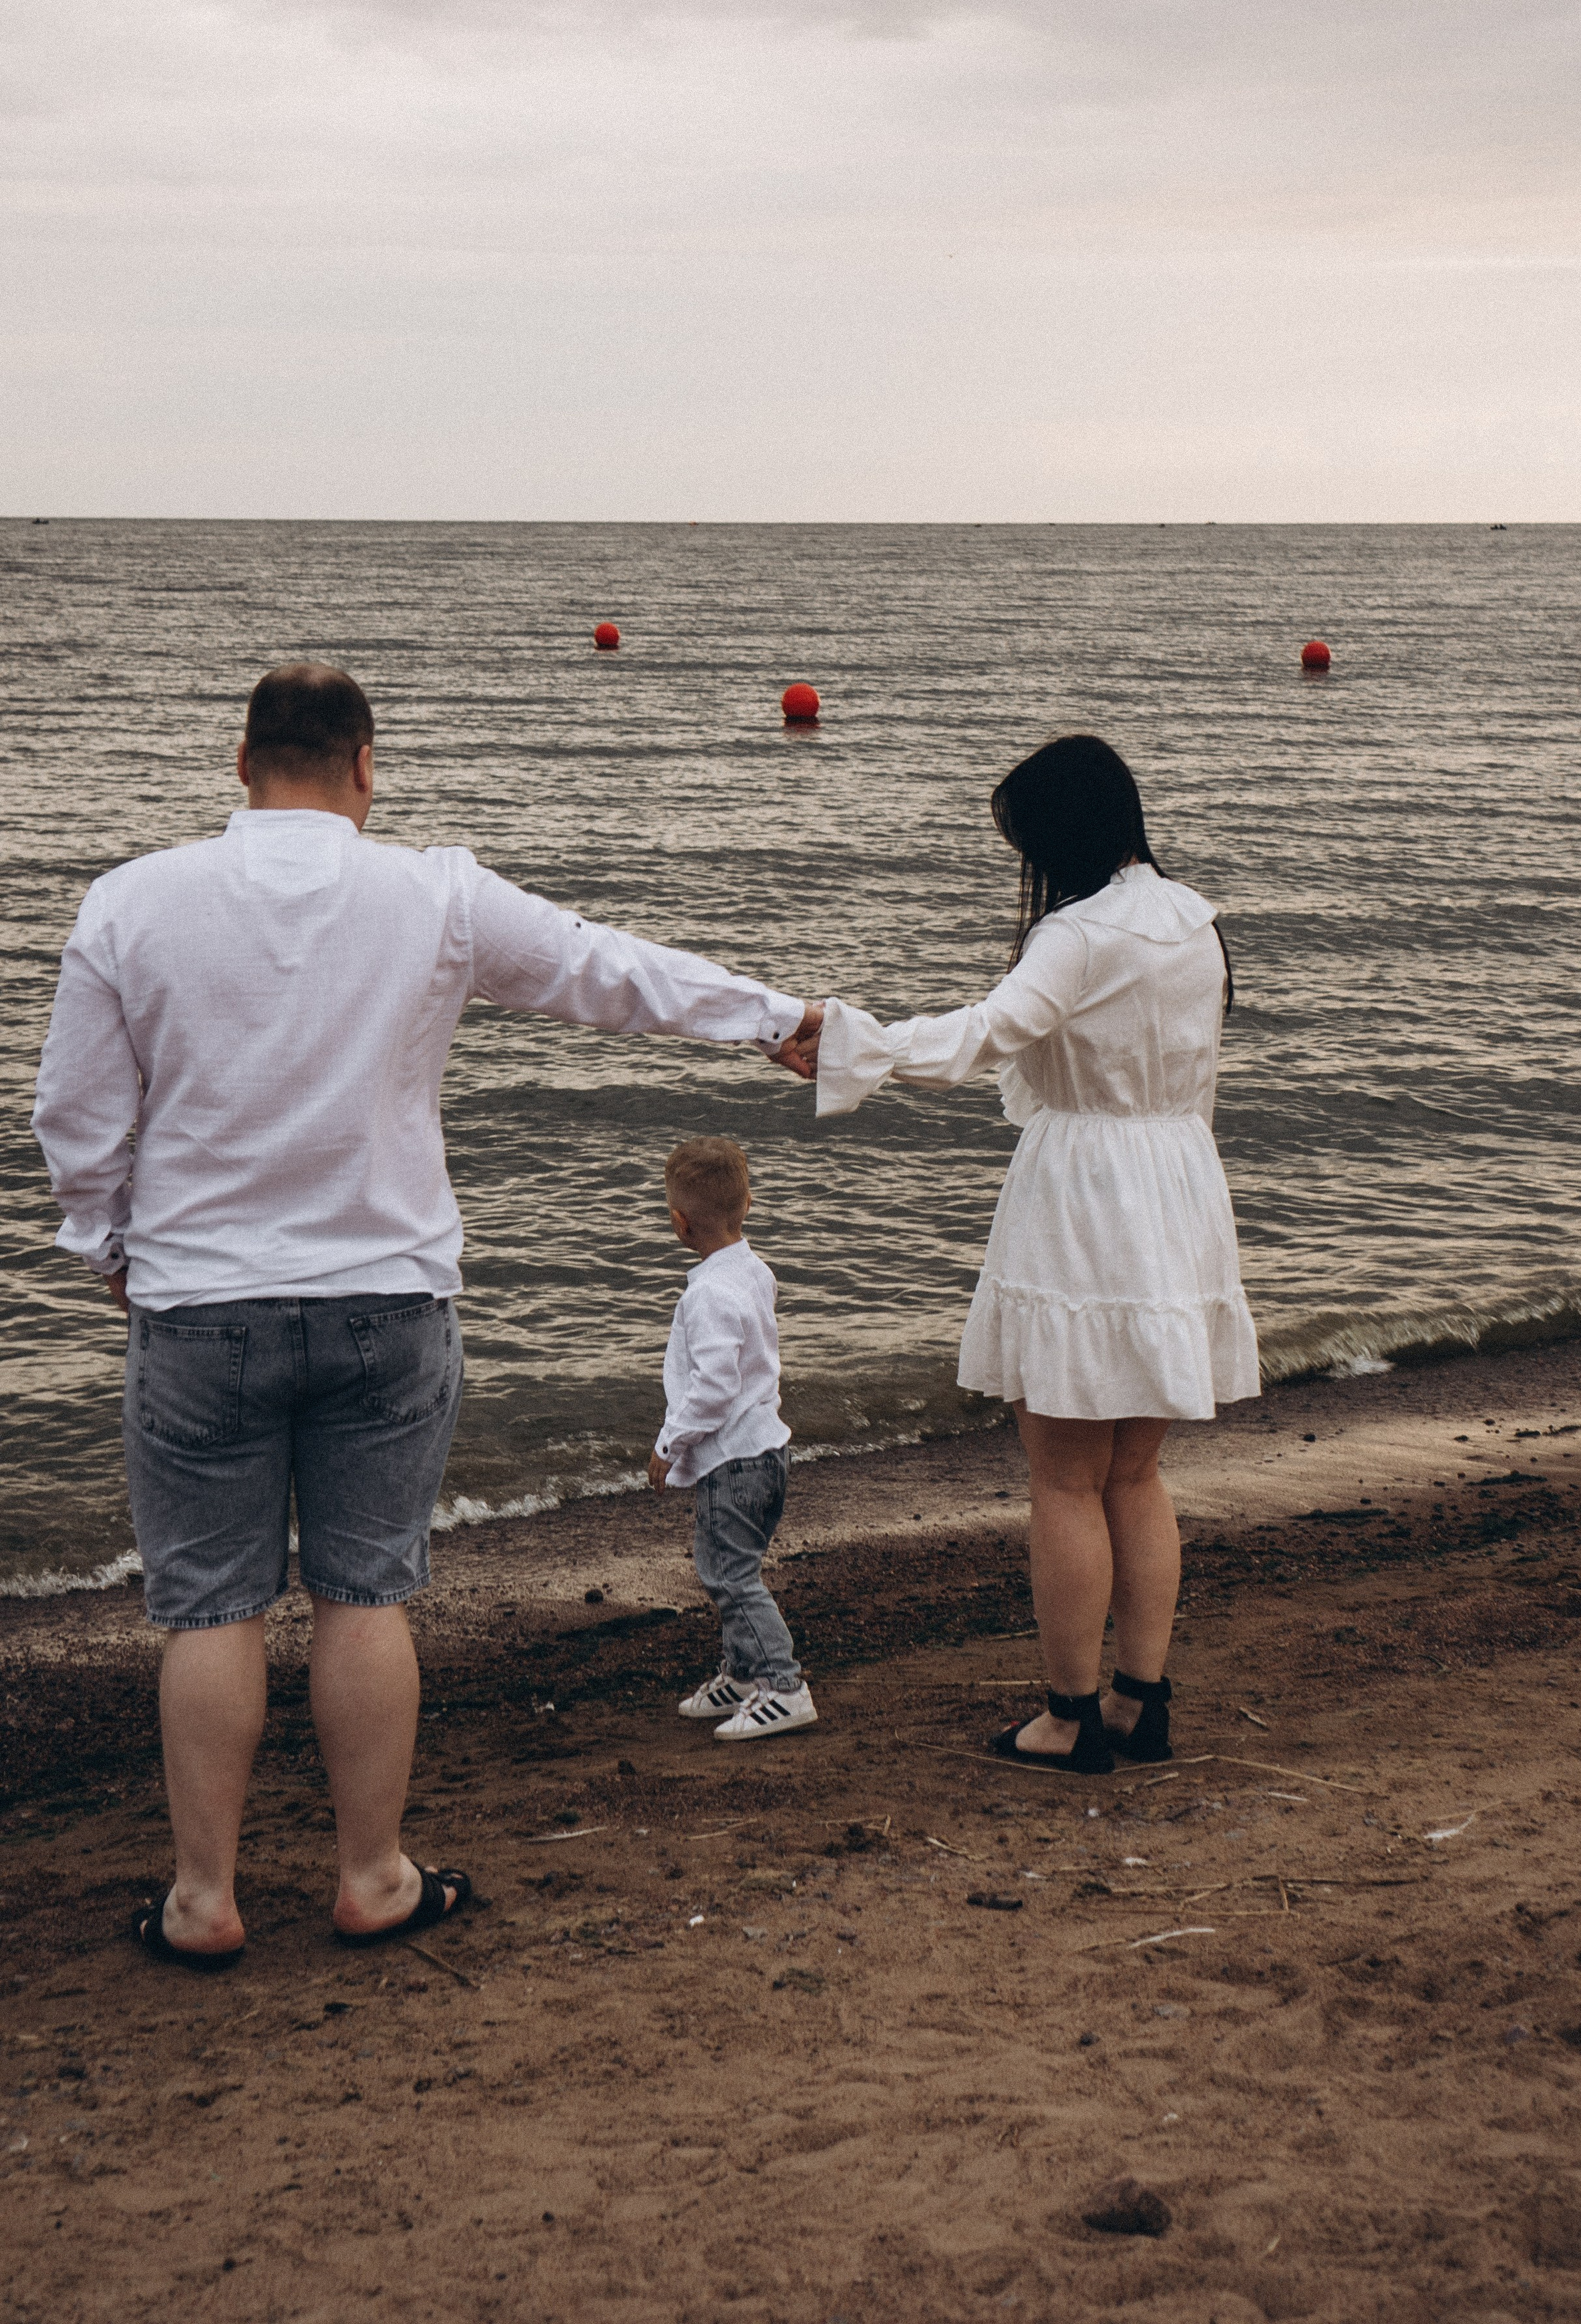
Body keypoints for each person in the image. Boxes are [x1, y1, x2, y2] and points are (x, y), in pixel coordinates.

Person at [31, 664, 820, 1965]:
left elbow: (74, 1116)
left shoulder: (132, 903)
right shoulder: (435, 895)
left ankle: (204, 1901)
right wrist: (773, 1018)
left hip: (199, 1310)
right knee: (362, 1595)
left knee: (208, 1611)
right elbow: (601, 973)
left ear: (240, 764)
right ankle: (372, 1879)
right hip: (388, 1306)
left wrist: (107, 1245)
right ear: (364, 766)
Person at [812, 733, 1258, 1775]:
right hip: (1179, 1182)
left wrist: (843, 1039)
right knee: (1136, 1473)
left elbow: (978, 1040)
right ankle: (1140, 1706)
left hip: (1088, 1197)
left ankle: (1067, 1715)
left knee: (1064, 1479)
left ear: (1062, 835)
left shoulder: (1079, 933)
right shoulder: (1195, 922)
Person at [646, 1137, 816, 1740]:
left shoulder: (709, 1293)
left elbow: (715, 1386)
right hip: (766, 1453)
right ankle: (744, 1674)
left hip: (735, 1463)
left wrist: (670, 1444)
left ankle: (783, 1685)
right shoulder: (753, 1271)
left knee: (729, 1576)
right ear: (747, 1205)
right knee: (731, 1568)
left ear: (679, 1223)